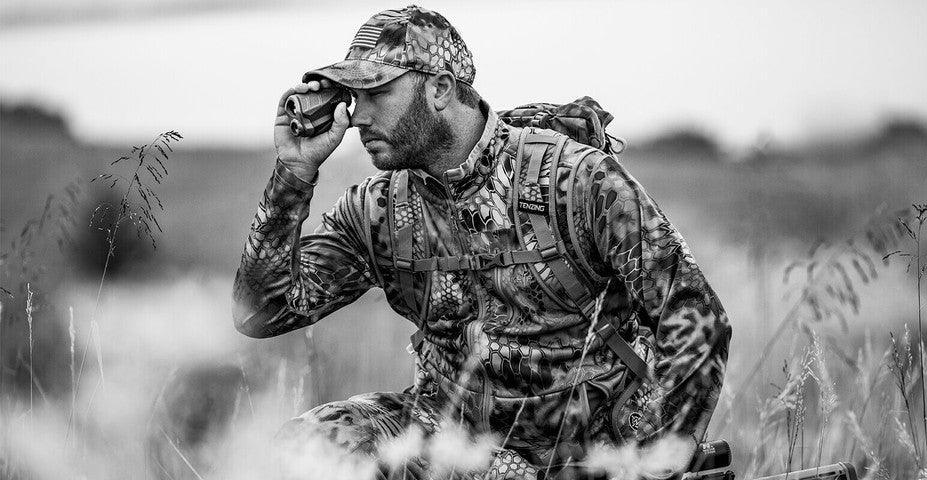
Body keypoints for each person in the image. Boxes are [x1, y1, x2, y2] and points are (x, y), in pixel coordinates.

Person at [233, 5, 731, 479]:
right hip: (450, 446)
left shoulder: (577, 181)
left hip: (590, 455)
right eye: (352, 97)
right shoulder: (376, 210)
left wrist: (649, 463)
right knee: (310, 449)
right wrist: (294, 173)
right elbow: (262, 312)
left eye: (376, 93)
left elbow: (696, 324)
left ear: (441, 90)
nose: (357, 116)